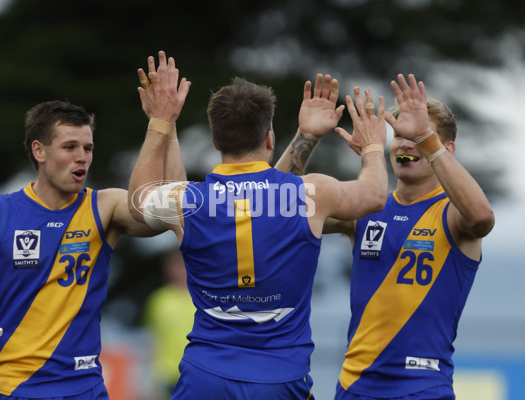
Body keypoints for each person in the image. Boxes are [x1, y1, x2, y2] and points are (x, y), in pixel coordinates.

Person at [127, 50, 389, 399]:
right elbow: (374, 195)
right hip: (279, 380)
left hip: (204, 379)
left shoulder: (187, 201)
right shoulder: (310, 193)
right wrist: (372, 146)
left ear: (216, 141)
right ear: (269, 139)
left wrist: (161, 122)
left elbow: (138, 200)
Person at [0, 92, 186, 399]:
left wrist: (163, 124)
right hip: (13, 389)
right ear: (39, 150)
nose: (82, 157)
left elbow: (175, 210)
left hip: (84, 389)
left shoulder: (105, 208)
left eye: (88, 148)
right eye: (70, 147)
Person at [281, 74, 495, 399]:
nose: (406, 143)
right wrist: (306, 136)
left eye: (418, 135)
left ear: (445, 149)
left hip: (422, 388)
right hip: (355, 388)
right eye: (400, 135)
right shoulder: (366, 208)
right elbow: (272, 210)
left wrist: (426, 140)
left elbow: (482, 217)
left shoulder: (452, 214)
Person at [142, 249, 195, 400]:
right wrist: (149, 376)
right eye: (174, 265)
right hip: (166, 373)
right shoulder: (159, 299)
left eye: (182, 265)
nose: (178, 270)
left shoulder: (203, 299)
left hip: (195, 372)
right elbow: (152, 339)